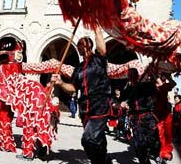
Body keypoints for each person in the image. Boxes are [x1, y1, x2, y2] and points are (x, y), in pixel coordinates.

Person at [51, 26, 112, 164]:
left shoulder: (99, 60)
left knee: (88, 139)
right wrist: (60, 83)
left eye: (83, 43)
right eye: (79, 44)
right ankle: (104, 160)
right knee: (98, 139)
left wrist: (96, 28)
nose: (80, 46)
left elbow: (102, 47)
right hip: (85, 109)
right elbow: (72, 88)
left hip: (99, 105)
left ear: (89, 45)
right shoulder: (78, 68)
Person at [120, 68, 160, 164]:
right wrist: (122, 103)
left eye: (134, 74)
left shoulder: (146, 85)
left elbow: (157, 91)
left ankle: (155, 153)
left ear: (137, 76)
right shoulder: (127, 90)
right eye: (129, 75)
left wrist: (153, 75)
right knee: (139, 144)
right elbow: (120, 101)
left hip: (148, 117)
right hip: (135, 119)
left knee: (153, 140)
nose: (131, 77)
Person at [153, 72, 176, 161]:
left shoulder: (165, 85)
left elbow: (174, 84)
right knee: (159, 135)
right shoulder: (153, 86)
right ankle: (160, 153)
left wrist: (167, 76)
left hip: (166, 113)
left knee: (168, 134)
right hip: (156, 114)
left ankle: (165, 152)